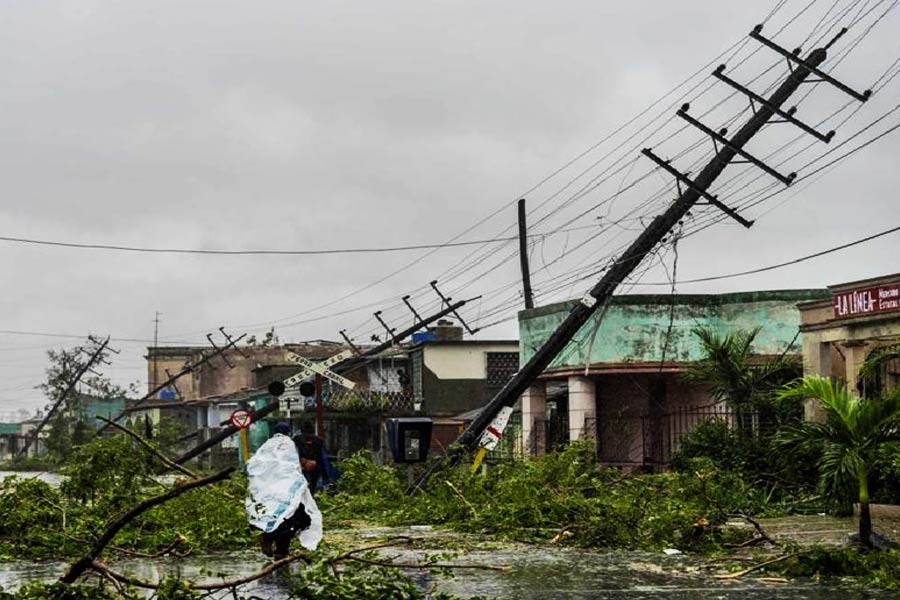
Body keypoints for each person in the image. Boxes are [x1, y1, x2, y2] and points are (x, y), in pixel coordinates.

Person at [249, 422, 317, 560]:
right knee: (294, 517)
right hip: (287, 489)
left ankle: (269, 539)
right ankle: (280, 548)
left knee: (275, 515)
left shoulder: (266, 447)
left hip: (269, 489)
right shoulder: (289, 445)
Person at [292, 421, 327, 495]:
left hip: (301, 467)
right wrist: (325, 474)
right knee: (313, 487)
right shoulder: (319, 440)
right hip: (315, 467)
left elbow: (293, 454)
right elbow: (322, 457)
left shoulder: (296, 439)